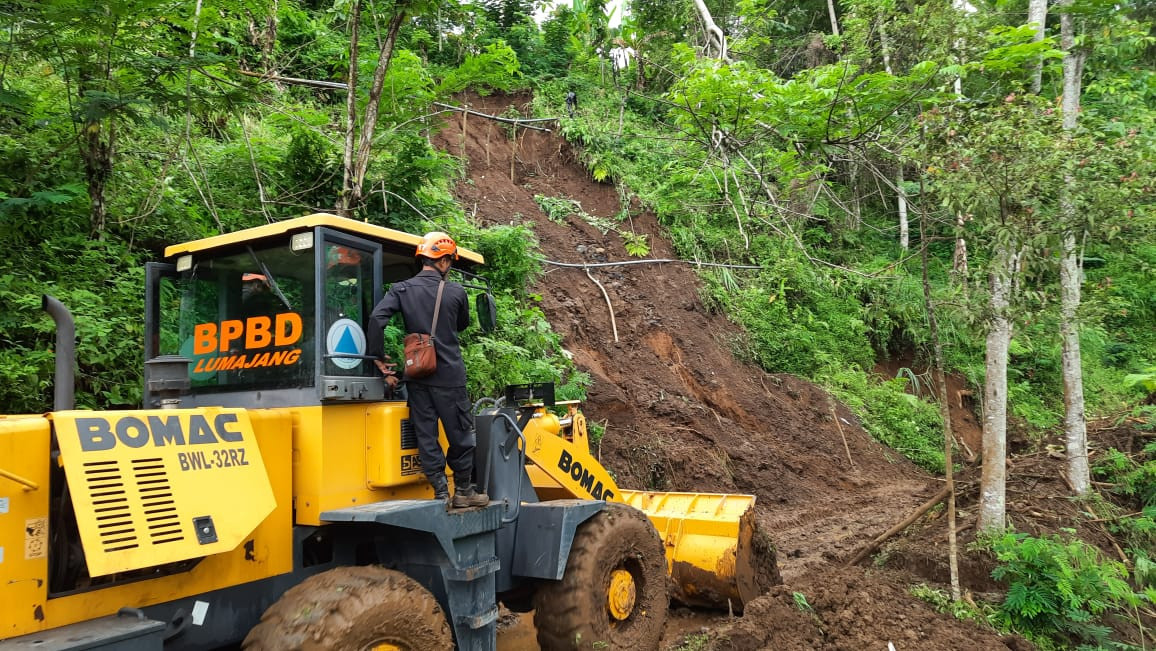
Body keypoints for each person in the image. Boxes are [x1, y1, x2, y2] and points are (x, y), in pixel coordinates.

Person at [366, 232, 489, 509]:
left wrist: (378, 356)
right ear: (444, 261)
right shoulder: (456, 292)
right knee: (460, 434)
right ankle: (464, 491)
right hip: (449, 376)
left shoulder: (400, 289)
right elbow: (462, 324)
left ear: (423, 258)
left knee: (425, 434)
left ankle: (440, 493)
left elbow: (377, 318)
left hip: (417, 376)